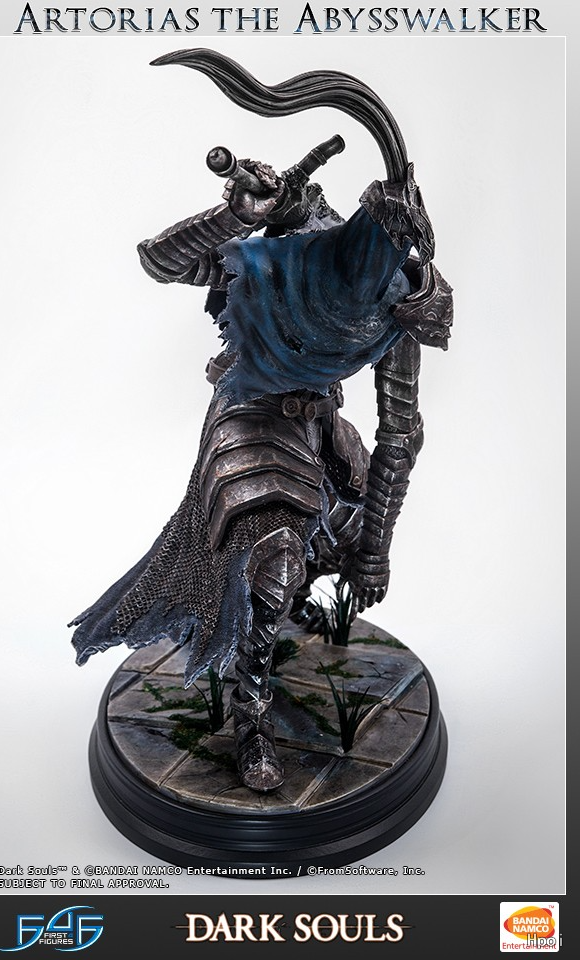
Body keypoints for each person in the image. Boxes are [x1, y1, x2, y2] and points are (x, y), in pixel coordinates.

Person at [70, 56, 453, 794]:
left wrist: (375, 550)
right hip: (248, 419)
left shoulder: (403, 304)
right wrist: (237, 218)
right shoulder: (287, 257)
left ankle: (287, 609)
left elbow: (401, 434)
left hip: (321, 429)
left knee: (332, 537)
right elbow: (159, 261)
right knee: (275, 560)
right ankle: (251, 720)